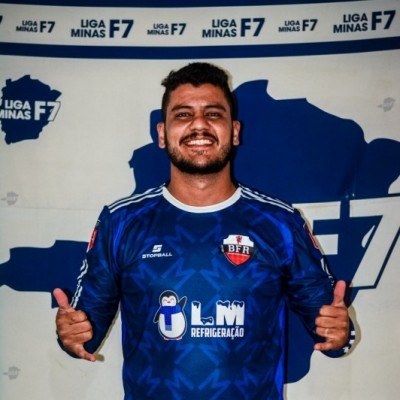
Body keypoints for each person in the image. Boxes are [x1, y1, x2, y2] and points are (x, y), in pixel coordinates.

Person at [54, 62, 353, 399]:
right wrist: (71, 335)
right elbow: (84, 329)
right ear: (162, 134)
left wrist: (341, 334)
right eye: (183, 115)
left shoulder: (279, 222)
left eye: (213, 114)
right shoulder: (121, 222)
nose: (199, 125)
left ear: (235, 131)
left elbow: (331, 330)